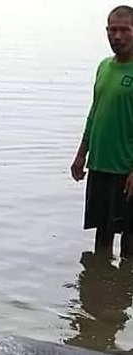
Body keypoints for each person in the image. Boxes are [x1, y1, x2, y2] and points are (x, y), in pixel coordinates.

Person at [71, 5, 133, 258]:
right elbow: (94, 112)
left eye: (124, 30)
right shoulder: (104, 66)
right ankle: (100, 291)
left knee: (130, 240)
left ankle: (125, 291)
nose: (117, 36)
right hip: (100, 165)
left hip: (125, 170)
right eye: (112, 30)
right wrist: (81, 154)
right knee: (102, 235)